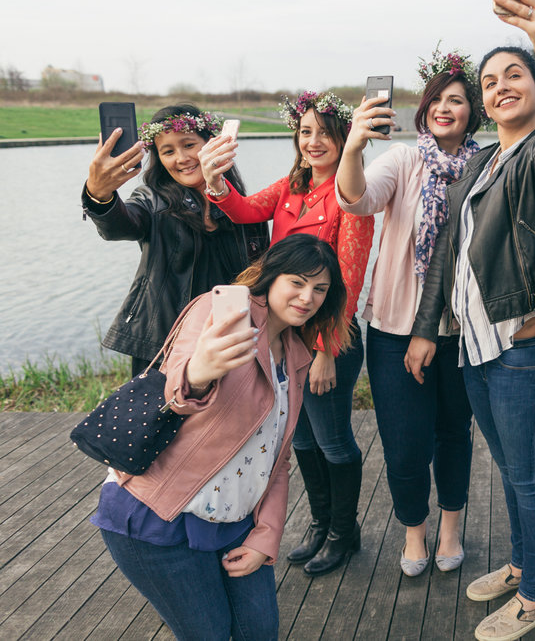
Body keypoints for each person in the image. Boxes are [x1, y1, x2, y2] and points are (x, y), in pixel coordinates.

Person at [404, 0, 535, 637]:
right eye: (489, 81)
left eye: (515, 75)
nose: (501, 87)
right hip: (475, 349)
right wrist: (427, 328)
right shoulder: (480, 163)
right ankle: (522, 563)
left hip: (522, 348)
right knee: (509, 472)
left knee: (529, 478)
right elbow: (446, 258)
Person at [92, 233, 346, 640]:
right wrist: (198, 373)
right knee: (208, 633)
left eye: (320, 289)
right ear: (270, 276)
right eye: (297, 282)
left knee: (259, 631)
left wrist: (267, 537)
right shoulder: (216, 311)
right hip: (159, 513)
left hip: (234, 519)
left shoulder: (296, 357)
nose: (307, 297)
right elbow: (175, 393)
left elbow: (277, 461)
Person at [197, 91, 374, 576]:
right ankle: (320, 524)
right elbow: (244, 210)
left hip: (329, 334)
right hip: (288, 333)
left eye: (325, 133)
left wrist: (326, 350)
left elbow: (350, 279)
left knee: (333, 441)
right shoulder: (292, 186)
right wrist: (215, 183)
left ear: (345, 138)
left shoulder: (351, 193)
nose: (313, 142)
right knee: (299, 439)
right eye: (305, 131)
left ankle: (343, 533)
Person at [335, 47, 481, 576]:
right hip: (396, 328)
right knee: (403, 444)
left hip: (461, 330)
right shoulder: (402, 159)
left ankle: (451, 529)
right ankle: (414, 532)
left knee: (453, 435)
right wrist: (353, 145)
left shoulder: (486, 166)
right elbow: (357, 199)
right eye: (437, 99)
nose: (445, 108)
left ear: (473, 111)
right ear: (423, 108)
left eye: (457, 100)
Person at [82, 104, 269, 376]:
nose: (181, 158)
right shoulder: (151, 200)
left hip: (231, 340)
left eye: (189, 145)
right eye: (168, 151)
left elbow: (262, 274)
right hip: (165, 345)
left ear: (212, 144)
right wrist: (99, 195)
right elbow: (121, 226)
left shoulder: (245, 207)